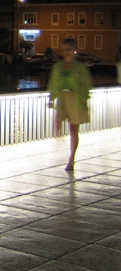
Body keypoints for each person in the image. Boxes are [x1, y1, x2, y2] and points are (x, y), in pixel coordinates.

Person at [47, 38, 94, 171]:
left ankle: (71, 159)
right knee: (57, 122)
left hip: (75, 98)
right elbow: (54, 83)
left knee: (74, 129)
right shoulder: (58, 67)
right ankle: (58, 148)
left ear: (74, 51)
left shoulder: (80, 68)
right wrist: (51, 97)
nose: (65, 52)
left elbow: (86, 84)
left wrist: (84, 99)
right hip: (62, 97)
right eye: (63, 50)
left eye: (68, 49)